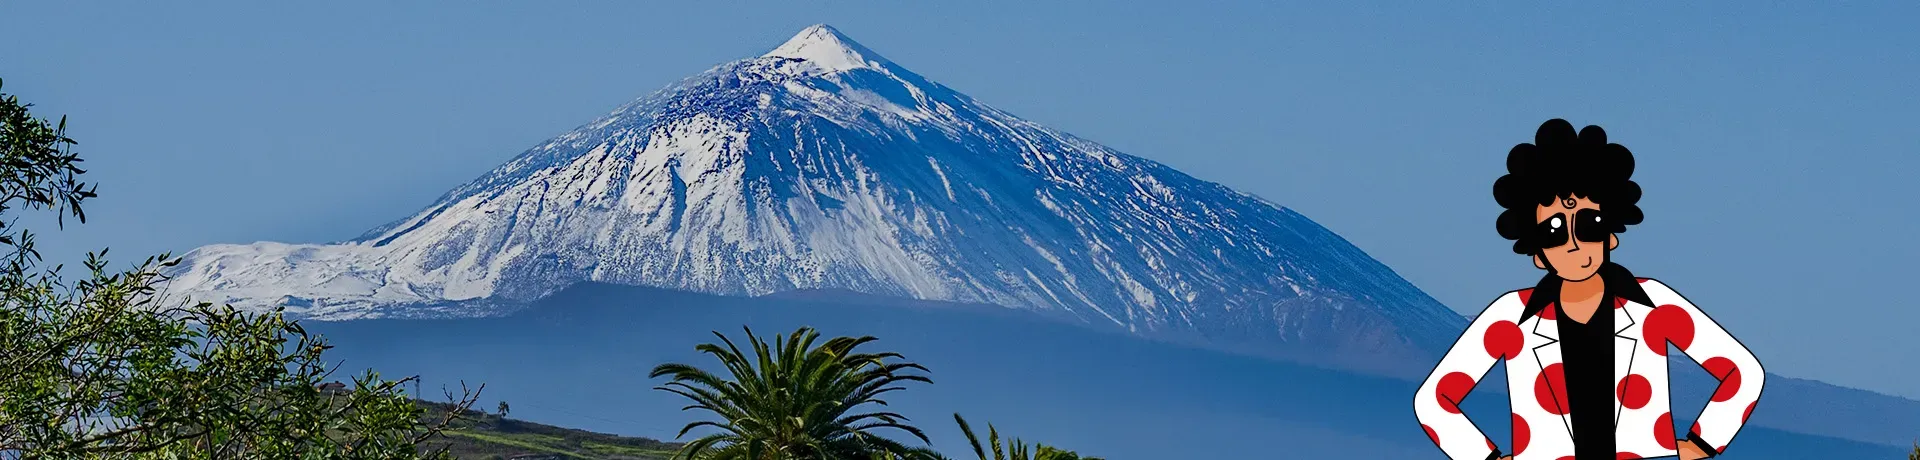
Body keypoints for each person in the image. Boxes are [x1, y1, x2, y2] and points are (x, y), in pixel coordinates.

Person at [1411, 119, 1765, 460]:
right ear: (1537, 253)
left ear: (1611, 234)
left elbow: (1743, 371)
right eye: (1553, 232)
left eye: (1590, 224)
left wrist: (1702, 444)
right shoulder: (1511, 317)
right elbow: (1434, 399)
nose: (1574, 243)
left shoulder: (1653, 304)